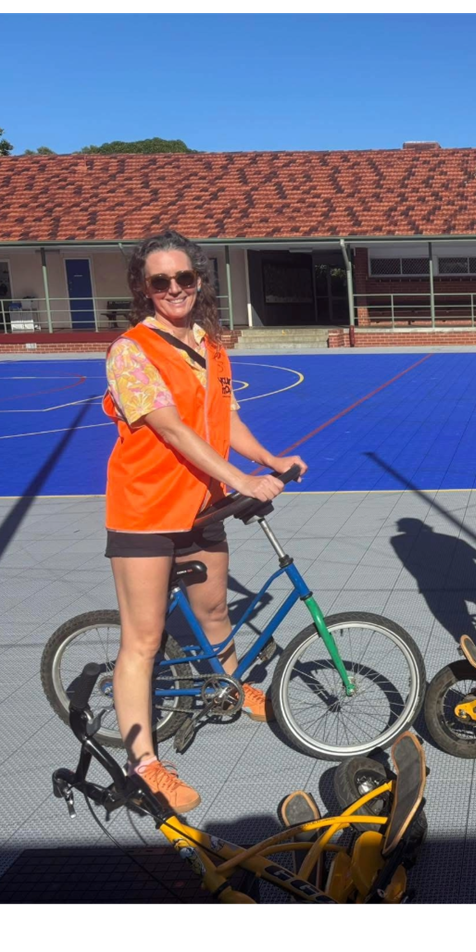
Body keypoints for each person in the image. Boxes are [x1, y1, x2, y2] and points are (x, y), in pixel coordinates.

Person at [104, 229, 307, 813]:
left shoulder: (209, 344)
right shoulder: (131, 351)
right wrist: (243, 480)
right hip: (146, 512)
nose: (174, 288)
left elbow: (224, 420)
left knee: (214, 608)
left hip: (201, 508)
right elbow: (170, 427)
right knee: (142, 640)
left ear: (199, 281)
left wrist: (267, 460)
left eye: (183, 278)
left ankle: (232, 686)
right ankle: (145, 764)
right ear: (144, 289)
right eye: (160, 281)